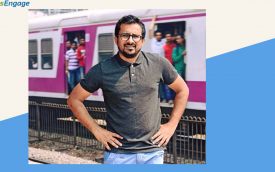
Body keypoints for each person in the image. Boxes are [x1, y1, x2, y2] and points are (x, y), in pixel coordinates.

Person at [67, 15, 189, 164]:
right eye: (125, 35)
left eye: (135, 36)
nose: (130, 41)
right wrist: (97, 131)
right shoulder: (102, 69)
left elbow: (183, 90)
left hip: (153, 153)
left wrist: (172, 125)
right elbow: (74, 99)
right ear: (116, 39)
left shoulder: (158, 63)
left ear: (142, 41)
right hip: (118, 156)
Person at [162, 31, 177, 104]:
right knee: (167, 85)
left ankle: (173, 98)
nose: (168, 38)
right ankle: (168, 99)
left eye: (169, 36)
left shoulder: (174, 46)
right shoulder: (163, 47)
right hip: (166, 68)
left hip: (174, 67)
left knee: (174, 84)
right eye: (166, 36)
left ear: (171, 37)